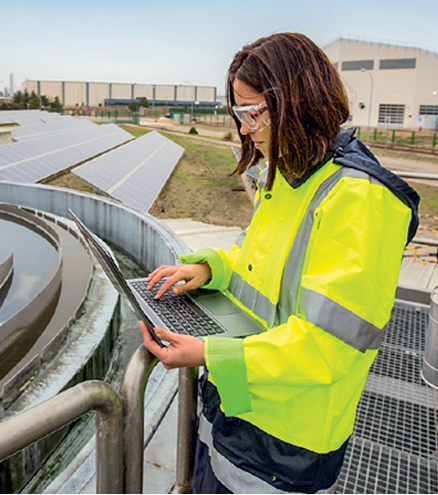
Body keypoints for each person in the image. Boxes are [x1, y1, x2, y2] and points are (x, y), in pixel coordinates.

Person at [139, 33, 419, 494]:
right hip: (236, 402)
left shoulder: (359, 201)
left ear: (299, 100)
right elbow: (258, 263)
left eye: (253, 113)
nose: (245, 130)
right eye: (237, 114)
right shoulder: (289, 174)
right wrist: (210, 269)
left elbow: (328, 348)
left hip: (286, 441)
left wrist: (208, 352)